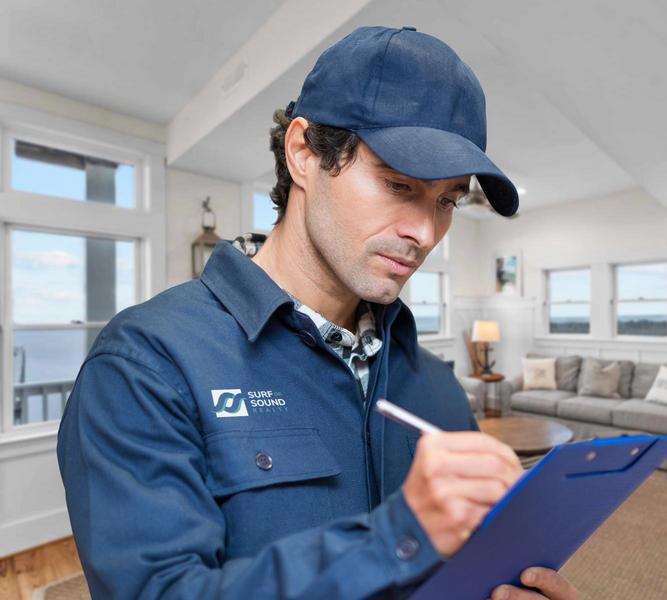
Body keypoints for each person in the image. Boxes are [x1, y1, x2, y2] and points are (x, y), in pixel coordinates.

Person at [57, 25, 578, 600]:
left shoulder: (434, 384)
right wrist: (396, 538)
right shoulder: (146, 365)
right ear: (303, 153)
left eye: (447, 200)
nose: (426, 232)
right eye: (399, 184)